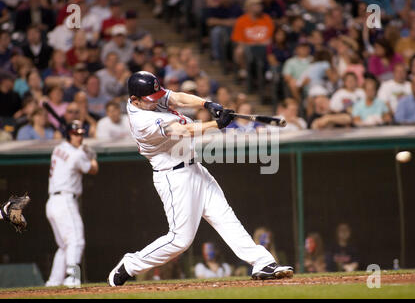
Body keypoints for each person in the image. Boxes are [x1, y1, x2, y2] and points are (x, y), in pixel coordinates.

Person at [107, 71, 293, 286]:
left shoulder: (150, 97)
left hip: (194, 167)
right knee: (180, 240)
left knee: (225, 217)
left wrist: (207, 104)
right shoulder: (142, 121)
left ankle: (263, 262)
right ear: (134, 100)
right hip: (174, 177)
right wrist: (218, 124)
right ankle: (130, 265)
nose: (156, 101)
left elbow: (176, 97)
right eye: (151, 100)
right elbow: (183, 130)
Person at [45, 120, 98, 288]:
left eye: (81, 134)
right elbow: (93, 169)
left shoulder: (58, 149)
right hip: (65, 201)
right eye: (76, 134)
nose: (79, 137)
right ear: (68, 134)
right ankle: (72, 277)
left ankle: (53, 282)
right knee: (76, 241)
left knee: (64, 246)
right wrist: (91, 156)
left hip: (53, 203)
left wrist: (82, 151)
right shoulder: (77, 154)